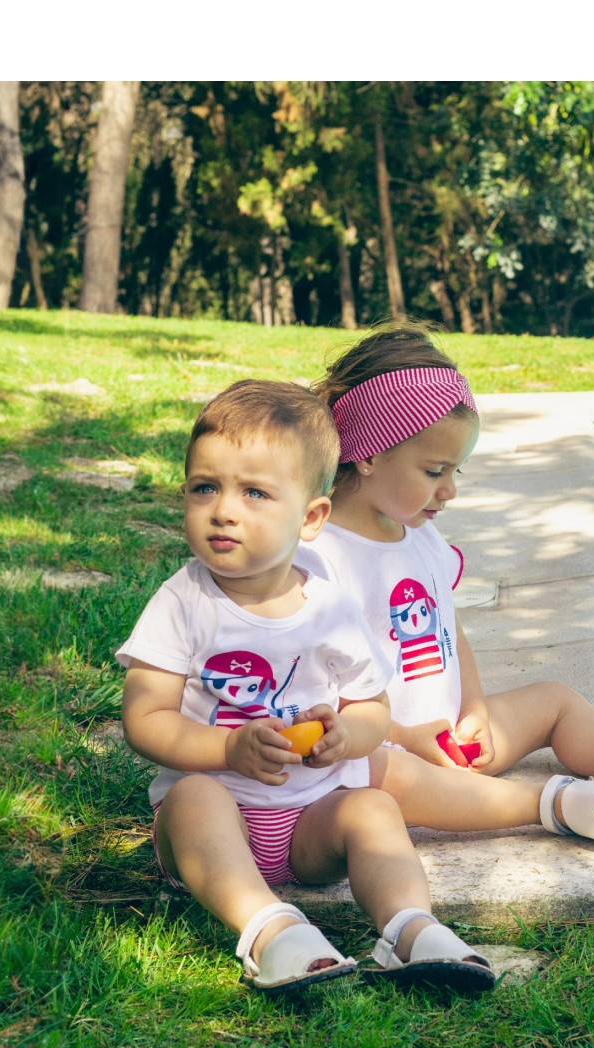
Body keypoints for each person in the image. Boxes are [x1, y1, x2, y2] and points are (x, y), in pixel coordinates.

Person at [307, 324, 594, 840]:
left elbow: (448, 630)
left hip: (451, 742)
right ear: (370, 453)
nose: (451, 490)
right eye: (435, 471)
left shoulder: (419, 535)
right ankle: (544, 805)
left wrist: (474, 709)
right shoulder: (321, 557)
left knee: (555, 701)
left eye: (457, 471)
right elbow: (317, 693)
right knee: (383, 777)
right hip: (383, 752)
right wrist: (405, 737)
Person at [117, 380, 496, 996]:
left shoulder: (330, 608)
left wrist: (348, 735)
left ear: (312, 517)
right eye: (204, 487)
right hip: (216, 824)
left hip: (308, 824)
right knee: (194, 797)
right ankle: (270, 930)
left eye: (255, 493)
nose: (224, 510)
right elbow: (145, 719)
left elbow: (372, 707)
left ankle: (410, 928)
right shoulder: (183, 601)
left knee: (373, 808)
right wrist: (226, 749)